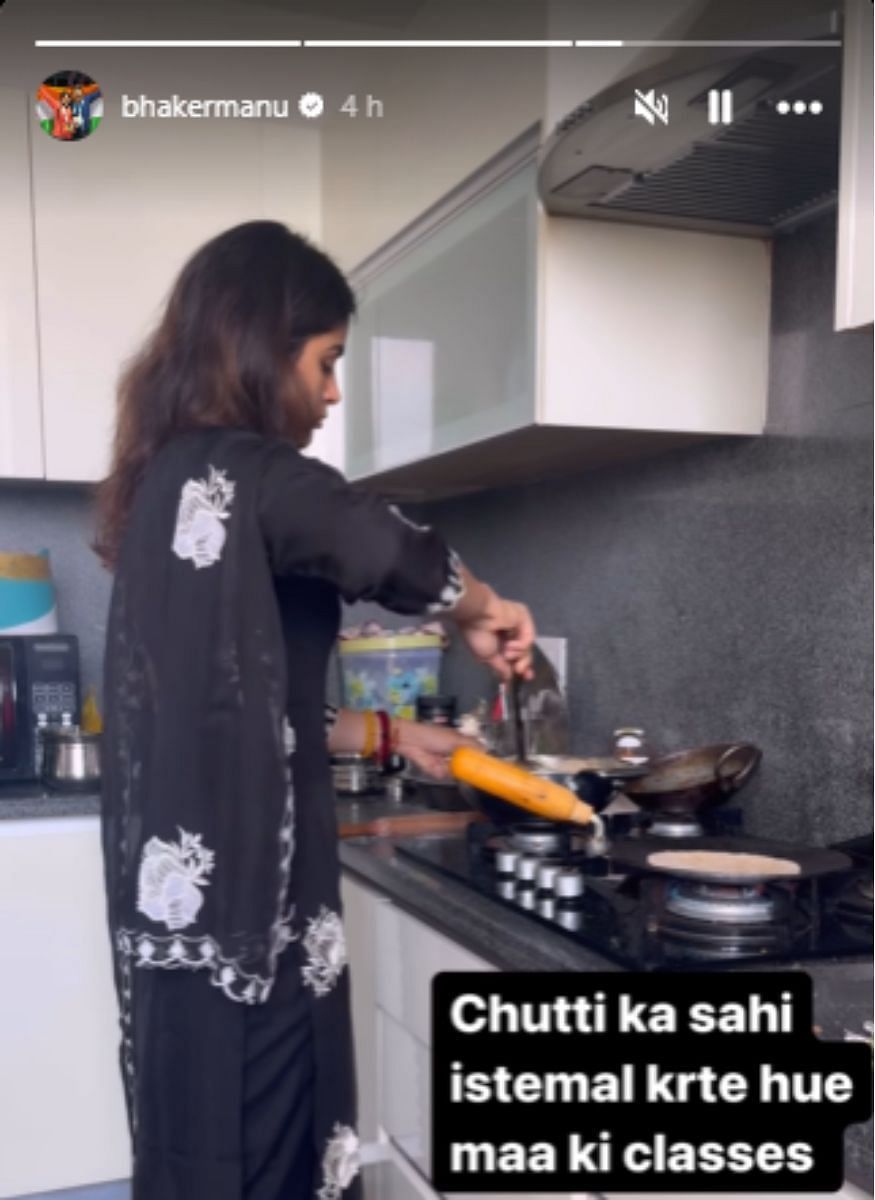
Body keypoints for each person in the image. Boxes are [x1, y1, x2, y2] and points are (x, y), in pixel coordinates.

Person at [94, 220, 536, 1200]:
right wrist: (486, 608)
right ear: (263, 347)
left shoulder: (169, 482)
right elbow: (378, 545)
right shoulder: (246, 473)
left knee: (203, 1154)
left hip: (187, 934)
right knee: (265, 1160)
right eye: (327, 362)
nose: (333, 394)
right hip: (254, 925)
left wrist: (389, 733)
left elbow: (241, 707)